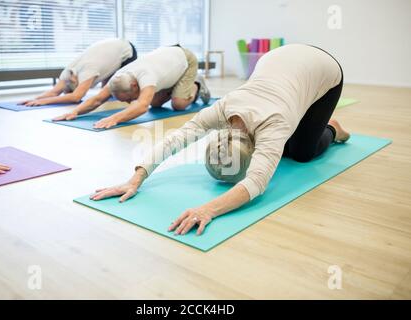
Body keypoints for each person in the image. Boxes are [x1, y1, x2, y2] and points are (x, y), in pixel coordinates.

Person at [89, 44, 350, 236]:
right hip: (280, 61)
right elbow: (175, 140)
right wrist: (135, 179)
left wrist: (209, 209)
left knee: (302, 153)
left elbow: (257, 182)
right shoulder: (222, 109)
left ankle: (333, 128)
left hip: (324, 68)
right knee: (285, 146)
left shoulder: (274, 125)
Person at [53, 45, 211, 129]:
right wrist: (74, 112)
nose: (129, 103)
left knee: (179, 104)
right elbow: (97, 99)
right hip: (166, 62)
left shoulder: (146, 76)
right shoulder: (119, 77)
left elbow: (142, 106)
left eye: (129, 99)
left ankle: (197, 84)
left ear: (135, 85)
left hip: (185, 59)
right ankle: (176, 84)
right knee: (155, 104)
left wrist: (114, 118)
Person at [21, 38, 137, 106]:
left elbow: (76, 97)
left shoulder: (88, 71)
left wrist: (44, 102)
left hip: (127, 50)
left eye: (67, 91)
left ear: (75, 84)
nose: (64, 91)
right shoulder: (68, 72)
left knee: (115, 88)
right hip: (111, 46)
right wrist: (35, 99)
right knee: (107, 90)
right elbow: (54, 92)